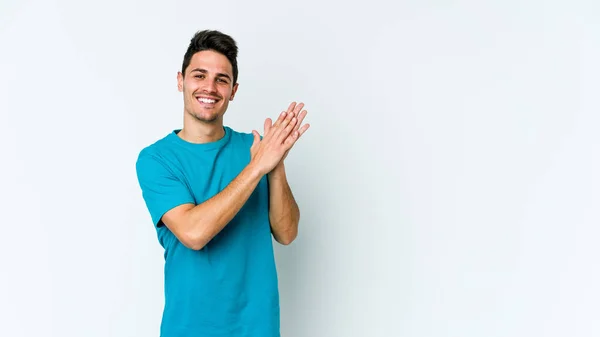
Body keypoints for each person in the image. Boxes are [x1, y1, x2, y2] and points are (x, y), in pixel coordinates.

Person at [135, 29, 310, 336]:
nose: (210, 87)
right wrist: (258, 168)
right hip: (189, 328)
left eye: (222, 79)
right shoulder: (156, 159)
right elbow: (194, 233)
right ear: (181, 81)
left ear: (233, 90)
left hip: (257, 327)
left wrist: (276, 165)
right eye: (199, 75)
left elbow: (287, 233)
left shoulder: (256, 149)